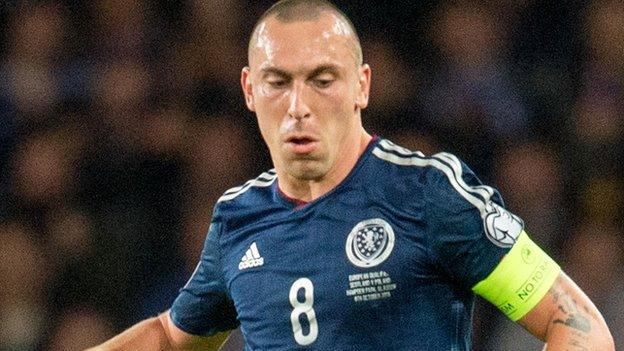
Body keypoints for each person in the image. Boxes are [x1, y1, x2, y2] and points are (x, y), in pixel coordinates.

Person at [87, 0, 614, 350]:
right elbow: (170, 337)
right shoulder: (237, 221)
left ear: (362, 85)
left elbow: (580, 329)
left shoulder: (427, 194)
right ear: (249, 90)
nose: (298, 106)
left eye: (322, 80)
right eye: (277, 82)